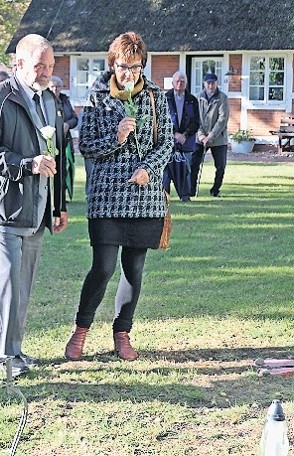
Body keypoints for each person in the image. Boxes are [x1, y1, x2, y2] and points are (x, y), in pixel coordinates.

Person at [64, 31, 172, 361]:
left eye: (137, 68)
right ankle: (80, 331)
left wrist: (148, 170)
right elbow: (87, 146)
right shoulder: (97, 96)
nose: (130, 74)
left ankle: (122, 333)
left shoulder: (155, 96)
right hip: (107, 198)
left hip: (145, 196)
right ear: (113, 63)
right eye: (125, 67)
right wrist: (117, 136)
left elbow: (166, 143)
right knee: (103, 266)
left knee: (133, 270)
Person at [0, 33, 68, 377]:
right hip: (1, 208)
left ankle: (14, 352)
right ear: (19, 63)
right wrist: (26, 164)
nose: (46, 72)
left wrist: (58, 206)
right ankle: (2, 356)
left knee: (22, 285)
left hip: (36, 208)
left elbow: (58, 157)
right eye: (40, 65)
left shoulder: (49, 101)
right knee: (8, 280)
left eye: (51, 66)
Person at [191, 72, 229, 198]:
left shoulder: (223, 98)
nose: (211, 85)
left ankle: (215, 190)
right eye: (208, 83)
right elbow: (195, 119)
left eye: (213, 83)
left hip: (219, 139)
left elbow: (222, 120)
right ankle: (191, 190)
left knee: (221, 166)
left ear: (217, 83)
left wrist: (211, 136)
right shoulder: (197, 98)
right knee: (194, 164)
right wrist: (201, 135)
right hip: (200, 138)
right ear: (204, 84)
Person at [164, 71, 199, 202]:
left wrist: (185, 135)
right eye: (177, 81)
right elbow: (160, 120)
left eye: (182, 81)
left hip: (187, 142)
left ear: (186, 83)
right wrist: (174, 134)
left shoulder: (192, 100)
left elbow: (196, 122)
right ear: (173, 83)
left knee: (186, 169)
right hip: (168, 141)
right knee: (166, 171)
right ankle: (164, 197)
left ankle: (185, 196)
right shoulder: (164, 99)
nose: (180, 84)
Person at [48, 76, 77, 200]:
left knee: (64, 169)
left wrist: (67, 124)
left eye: (58, 86)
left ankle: (62, 197)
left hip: (65, 142)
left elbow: (75, 119)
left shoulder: (65, 100)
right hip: (49, 142)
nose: (55, 89)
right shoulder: (45, 100)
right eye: (52, 86)